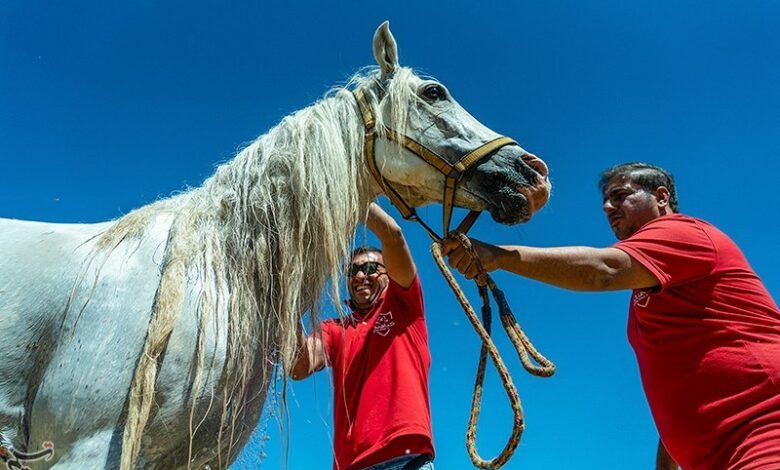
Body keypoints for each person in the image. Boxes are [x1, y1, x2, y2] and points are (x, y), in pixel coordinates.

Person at [442, 162, 780, 470]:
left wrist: (499, 256)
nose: (607, 207)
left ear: (661, 197)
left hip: (765, 432)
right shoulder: (652, 290)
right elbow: (683, 392)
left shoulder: (684, 232)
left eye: (620, 196)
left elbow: (602, 269)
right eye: (606, 200)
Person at [291, 202, 435, 470]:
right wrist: (288, 310)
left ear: (388, 275)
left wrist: (353, 194)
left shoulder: (404, 306)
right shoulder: (335, 329)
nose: (360, 276)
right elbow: (299, 367)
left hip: (405, 458)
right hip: (349, 465)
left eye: (370, 269)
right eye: (353, 271)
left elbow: (392, 235)